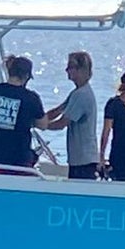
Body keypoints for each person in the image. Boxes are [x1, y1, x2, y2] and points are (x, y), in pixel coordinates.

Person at [44, 50, 99, 179]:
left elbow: (62, 123)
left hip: (84, 160)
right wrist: (39, 118)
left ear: (80, 70)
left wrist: (41, 125)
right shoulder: (76, 93)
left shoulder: (82, 95)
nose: (66, 70)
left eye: (70, 67)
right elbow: (58, 111)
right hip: (79, 159)